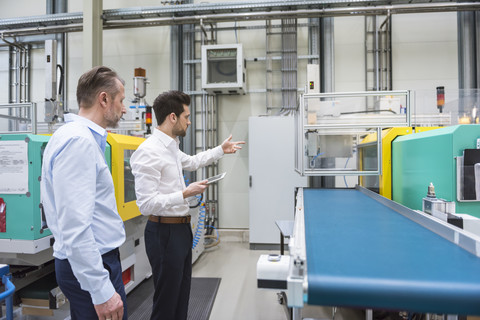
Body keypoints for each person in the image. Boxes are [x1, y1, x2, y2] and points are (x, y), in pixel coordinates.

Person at [130, 90, 245, 320]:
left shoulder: (171, 146)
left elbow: (192, 162)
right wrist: (184, 193)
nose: (189, 121)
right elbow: (145, 204)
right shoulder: (149, 151)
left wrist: (220, 151)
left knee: (182, 298)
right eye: (186, 116)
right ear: (172, 117)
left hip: (180, 230)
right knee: (166, 303)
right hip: (163, 233)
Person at [41, 66, 128, 320]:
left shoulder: (75, 137)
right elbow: (76, 227)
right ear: (104, 99)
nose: (124, 109)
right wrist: (101, 290)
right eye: (121, 100)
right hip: (92, 263)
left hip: (89, 261)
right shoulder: (79, 142)